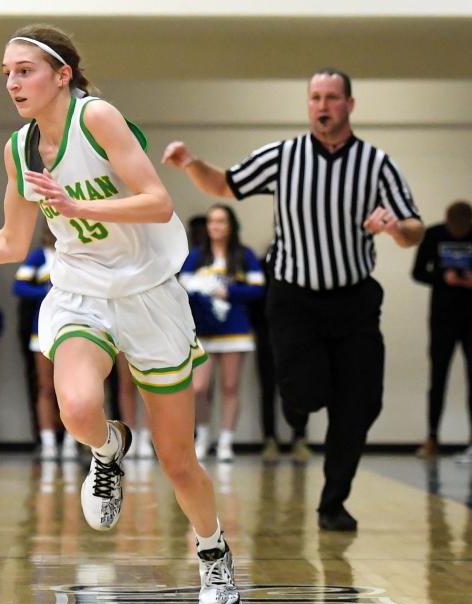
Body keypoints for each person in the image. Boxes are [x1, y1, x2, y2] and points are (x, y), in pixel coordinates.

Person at [0, 24, 239, 604]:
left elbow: (158, 201)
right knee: (80, 407)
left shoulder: (98, 118)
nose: (12, 81)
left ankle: (213, 556)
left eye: (25, 69)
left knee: (178, 460)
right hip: (81, 289)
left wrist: (74, 203)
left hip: (150, 292)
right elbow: (12, 243)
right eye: (6, 72)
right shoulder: (16, 149)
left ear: (62, 75)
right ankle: (108, 447)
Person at [163, 67, 424, 531]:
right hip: (294, 298)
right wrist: (190, 163)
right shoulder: (285, 156)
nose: (322, 106)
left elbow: (413, 229)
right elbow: (225, 185)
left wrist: (394, 229)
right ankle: (295, 406)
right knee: (305, 393)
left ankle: (332, 503)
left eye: (332, 98)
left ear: (349, 104)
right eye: (315, 98)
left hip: (355, 300)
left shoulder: (377, 163)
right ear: (309, 105)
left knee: (361, 403)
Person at [178, 204, 264, 462]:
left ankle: (226, 442)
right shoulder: (196, 255)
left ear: (231, 225)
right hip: (204, 331)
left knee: (230, 386)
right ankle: (202, 438)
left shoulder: (244, 254)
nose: (215, 226)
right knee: (199, 388)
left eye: (221, 221)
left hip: (235, 330)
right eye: (212, 221)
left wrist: (229, 292)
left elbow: (258, 288)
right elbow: (181, 285)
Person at [412, 201, 472, 462]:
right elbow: (418, 272)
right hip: (442, 318)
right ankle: (432, 437)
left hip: (470, 319)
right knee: (438, 378)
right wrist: (442, 277)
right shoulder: (434, 235)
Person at [14, 230, 79, 461]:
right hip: (42, 329)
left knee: (73, 389)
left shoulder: (80, 253)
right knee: (46, 387)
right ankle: (49, 442)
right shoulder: (39, 256)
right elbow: (19, 286)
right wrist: (47, 292)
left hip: (74, 328)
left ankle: (72, 441)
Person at [248, 241, 312, 463]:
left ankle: (300, 438)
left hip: (298, 335)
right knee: (267, 388)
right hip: (267, 334)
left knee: (299, 387)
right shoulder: (265, 260)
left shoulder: (307, 261)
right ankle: (269, 439)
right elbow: (255, 298)